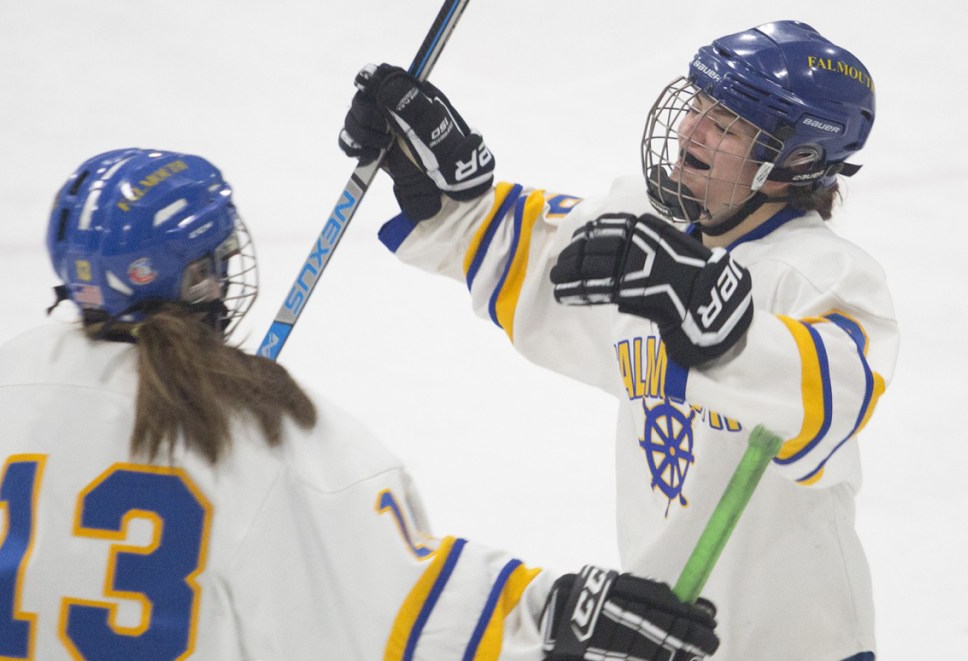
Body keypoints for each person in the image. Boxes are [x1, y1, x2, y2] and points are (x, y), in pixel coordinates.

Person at [0, 148, 719, 660]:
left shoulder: (15, 395)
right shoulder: (255, 437)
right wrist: (559, 608)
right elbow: (392, 604)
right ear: (200, 280)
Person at [338, 20, 898, 661]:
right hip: (658, 633)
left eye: (727, 127)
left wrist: (705, 309)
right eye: (699, 106)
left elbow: (834, 394)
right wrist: (437, 186)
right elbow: (538, 258)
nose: (691, 132)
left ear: (795, 162)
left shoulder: (820, 274)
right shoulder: (652, 230)